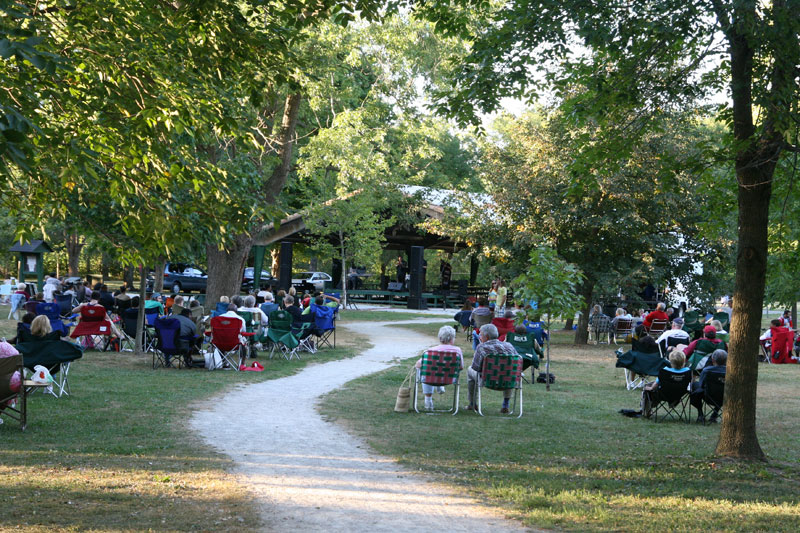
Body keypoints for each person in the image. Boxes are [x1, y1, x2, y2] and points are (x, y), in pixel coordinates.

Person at [466, 323, 519, 414]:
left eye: (481, 334)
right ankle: (505, 404)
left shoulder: (482, 348)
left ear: (486, 336)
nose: (479, 336)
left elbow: (476, 367)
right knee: (508, 372)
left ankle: (472, 402)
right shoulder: (509, 346)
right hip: (508, 381)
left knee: (469, 369)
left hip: (488, 380)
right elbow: (516, 364)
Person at [414, 325, 463, 411]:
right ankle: (440, 387)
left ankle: (428, 400)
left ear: (440, 338)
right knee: (430, 369)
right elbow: (461, 367)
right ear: (452, 339)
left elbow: (418, 365)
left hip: (430, 379)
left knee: (424, 369)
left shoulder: (430, 351)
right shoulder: (457, 351)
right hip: (448, 379)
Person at [641, 347, 690, 418]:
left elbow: (655, 386)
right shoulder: (687, 371)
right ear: (684, 361)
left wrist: (649, 388)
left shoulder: (665, 371)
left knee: (647, 388)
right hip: (679, 395)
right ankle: (673, 402)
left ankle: (647, 412)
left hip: (663, 394)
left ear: (670, 361)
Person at [690, 349, 727, 423]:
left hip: (708, 396)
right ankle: (714, 414)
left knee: (695, 385)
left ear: (713, 360)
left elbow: (701, 385)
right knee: (721, 389)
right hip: (724, 398)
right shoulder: (729, 371)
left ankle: (700, 414)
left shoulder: (707, 370)